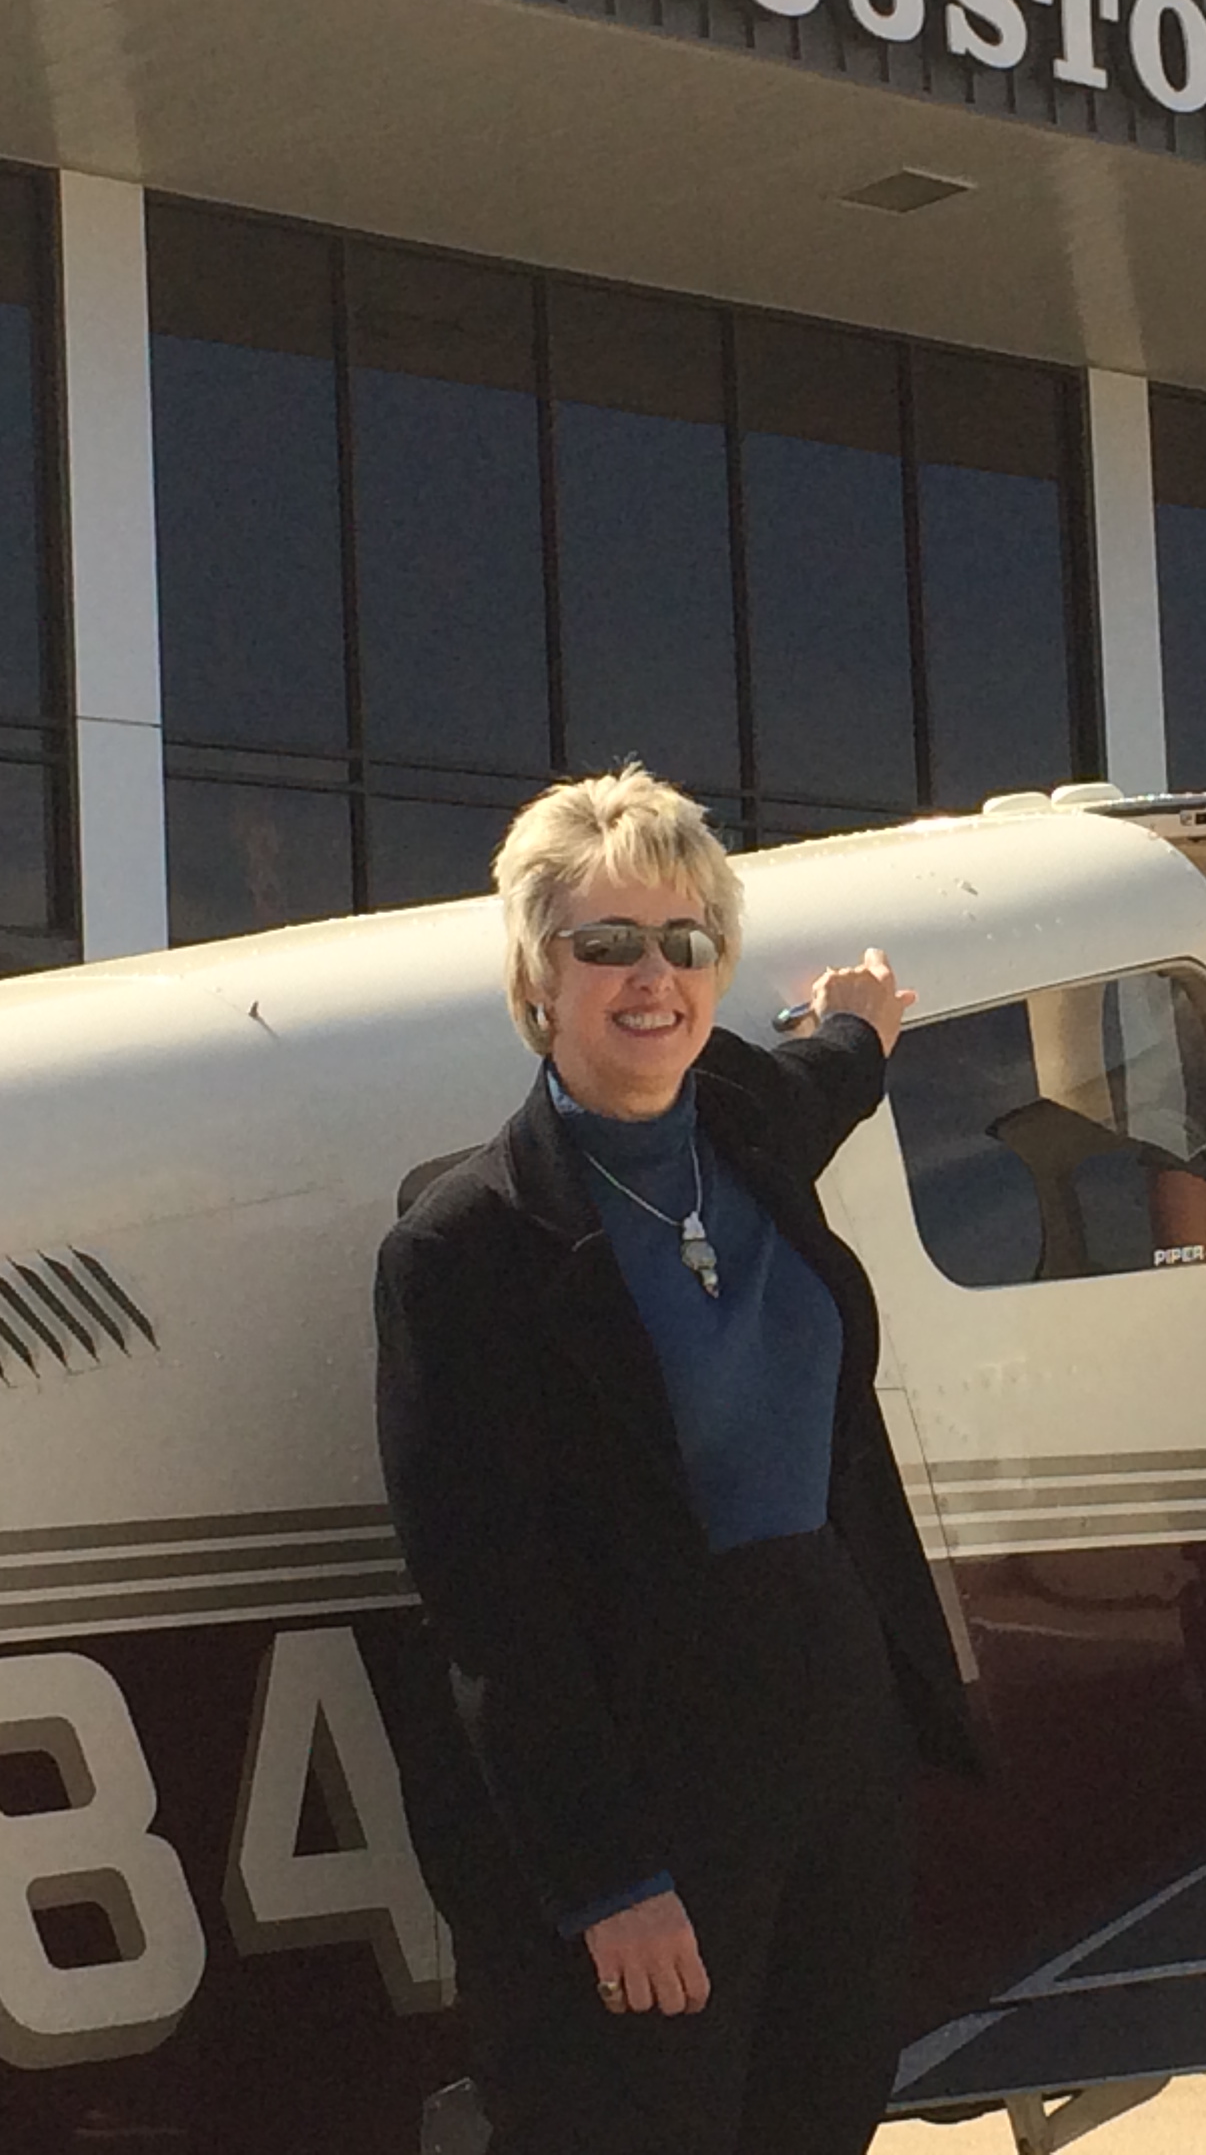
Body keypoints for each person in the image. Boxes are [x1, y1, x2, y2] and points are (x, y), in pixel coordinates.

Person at [374, 765, 980, 2155]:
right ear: (537, 973)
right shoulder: (459, 1251)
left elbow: (825, 1078)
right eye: (608, 944)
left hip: (832, 1754)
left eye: (686, 942)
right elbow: (489, 1611)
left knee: (821, 2122)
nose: (654, 978)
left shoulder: (748, 1131)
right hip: (645, 1795)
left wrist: (861, 1028)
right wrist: (606, 1883)